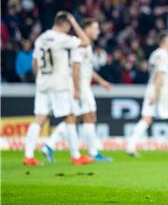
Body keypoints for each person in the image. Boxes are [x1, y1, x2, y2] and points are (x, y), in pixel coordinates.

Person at [23, 11, 93, 166]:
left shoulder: (41, 38)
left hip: (42, 84)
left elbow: (35, 63)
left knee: (39, 119)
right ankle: (76, 157)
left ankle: (28, 156)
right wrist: (75, 23)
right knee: (70, 117)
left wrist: (39, 78)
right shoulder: (61, 38)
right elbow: (86, 41)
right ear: (65, 24)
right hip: (58, 84)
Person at [41, 18, 113, 162]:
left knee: (76, 117)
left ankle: (49, 145)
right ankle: (93, 152)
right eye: (95, 28)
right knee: (88, 116)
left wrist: (101, 81)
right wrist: (77, 88)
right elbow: (76, 66)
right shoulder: (81, 45)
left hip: (81, 84)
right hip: (79, 85)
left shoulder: (86, 45)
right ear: (87, 30)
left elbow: (86, 69)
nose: (98, 31)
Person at [126, 31, 168, 157]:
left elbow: (162, 75)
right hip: (161, 90)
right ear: (165, 41)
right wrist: (157, 94)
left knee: (146, 118)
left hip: (151, 88)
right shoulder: (165, 55)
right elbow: (160, 75)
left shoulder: (155, 54)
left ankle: (130, 146)